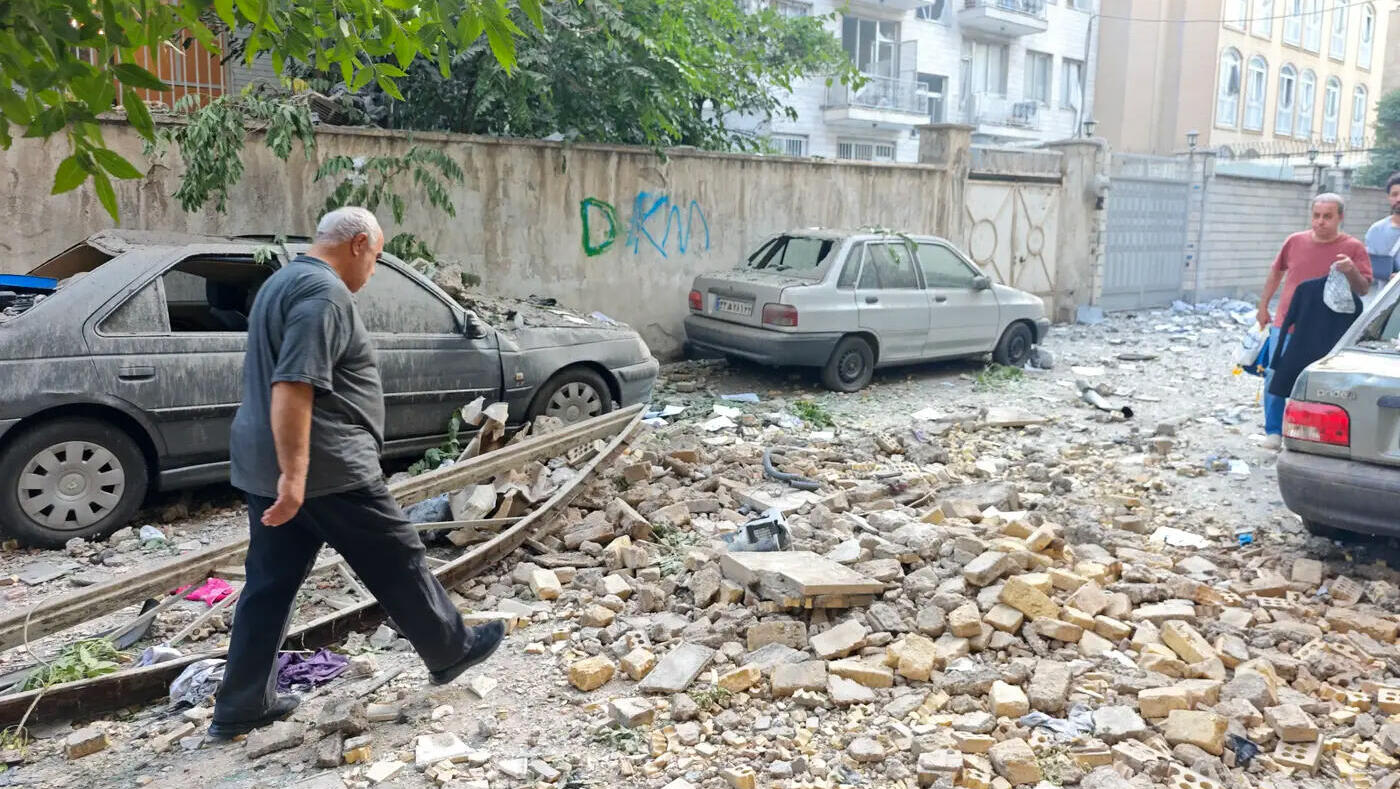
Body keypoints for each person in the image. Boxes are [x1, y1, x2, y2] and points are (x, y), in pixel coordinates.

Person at [209, 207, 504, 739]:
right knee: (396, 556)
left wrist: (285, 477)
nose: (375, 268)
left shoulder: (281, 282)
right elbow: (294, 385)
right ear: (359, 243)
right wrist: (296, 477)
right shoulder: (324, 295)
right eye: (377, 255)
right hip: (327, 469)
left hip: (268, 467)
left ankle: (241, 703)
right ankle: (451, 649)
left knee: (269, 587)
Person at [1255, 193, 1371, 450]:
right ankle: (1273, 431)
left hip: (1325, 330)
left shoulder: (1353, 248)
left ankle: (1310, 431)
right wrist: (1263, 306)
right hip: (1288, 323)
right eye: (1317, 216)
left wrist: (1351, 269)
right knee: (1275, 373)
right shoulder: (1295, 241)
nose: (1321, 222)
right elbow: (1276, 272)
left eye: (1327, 217)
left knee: (1318, 380)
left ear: (1340, 217)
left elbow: (1363, 289)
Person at [1363, 172, 1400, 305]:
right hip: (1386, 304)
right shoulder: (1376, 230)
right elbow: (1368, 268)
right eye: (1394, 194)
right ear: (1388, 197)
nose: (1398, 199)